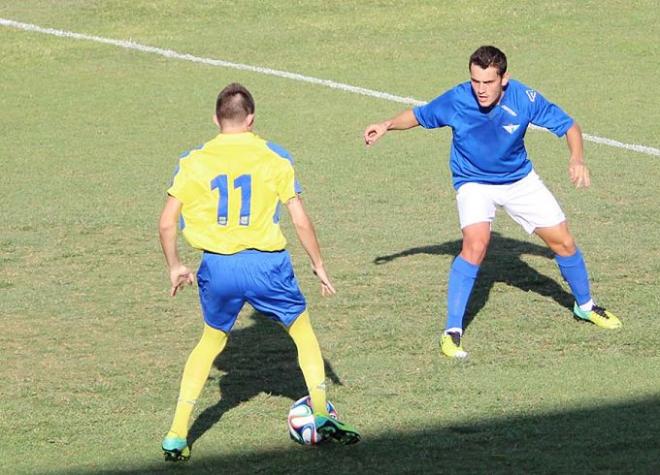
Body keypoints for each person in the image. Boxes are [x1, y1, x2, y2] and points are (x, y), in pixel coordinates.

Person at [363, 45, 621, 359]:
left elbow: (569, 126)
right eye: (476, 81)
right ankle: (452, 331)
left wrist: (577, 158)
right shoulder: (458, 99)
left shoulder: (524, 99)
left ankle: (586, 306)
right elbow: (419, 115)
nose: (481, 90)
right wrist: (387, 125)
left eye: (488, 82)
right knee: (475, 243)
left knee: (564, 242)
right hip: (473, 182)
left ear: (504, 80)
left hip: (519, 180)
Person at [159, 83, 360, 461]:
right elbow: (299, 218)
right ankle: (320, 411)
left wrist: (175, 265)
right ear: (251, 118)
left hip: (218, 266)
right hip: (268, 265)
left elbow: (167, 223)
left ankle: (175, 433)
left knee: (211, 342)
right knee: (302, 331)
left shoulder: (193, 161)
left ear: (216, 119)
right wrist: (317, 263)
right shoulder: (275, 157)